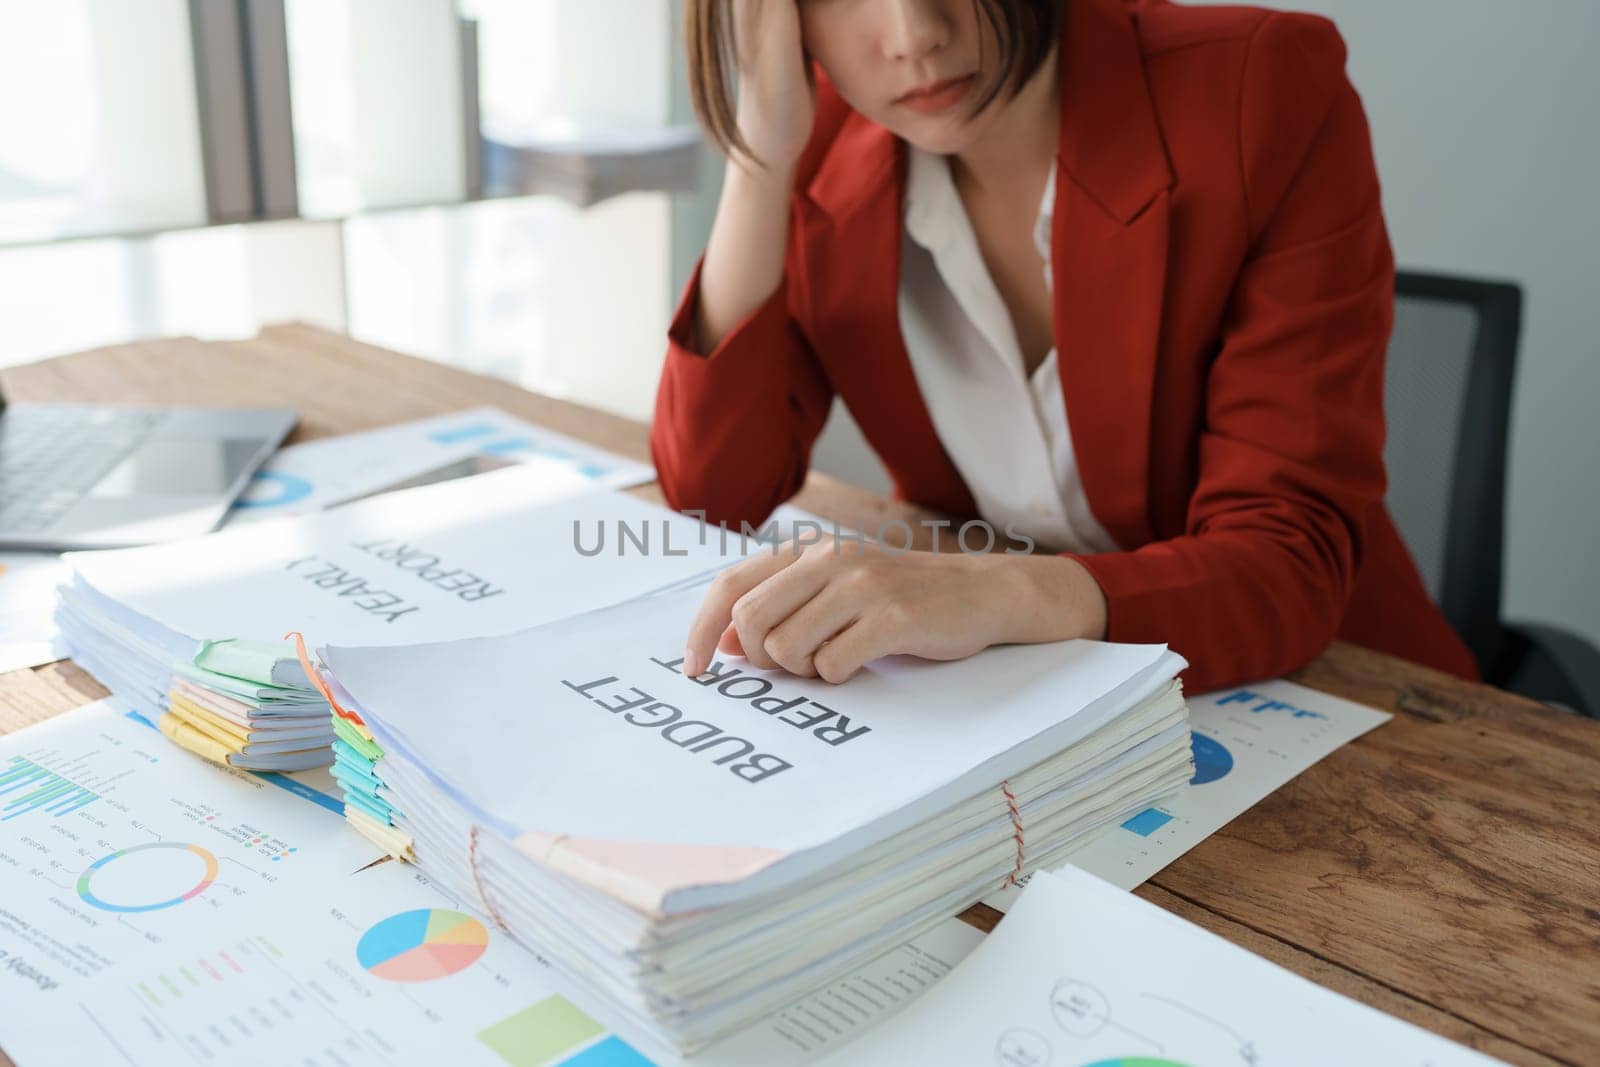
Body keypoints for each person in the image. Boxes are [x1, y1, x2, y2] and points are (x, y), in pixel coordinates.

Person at [651, 0, 1478, 692]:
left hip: (1336, 698)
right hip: (1023, 699)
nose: (913, 34)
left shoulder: (1257, 90)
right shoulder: (820, 142)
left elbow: (1285, 561)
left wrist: (1000, 590)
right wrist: (757, 152)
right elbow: (711, 493)